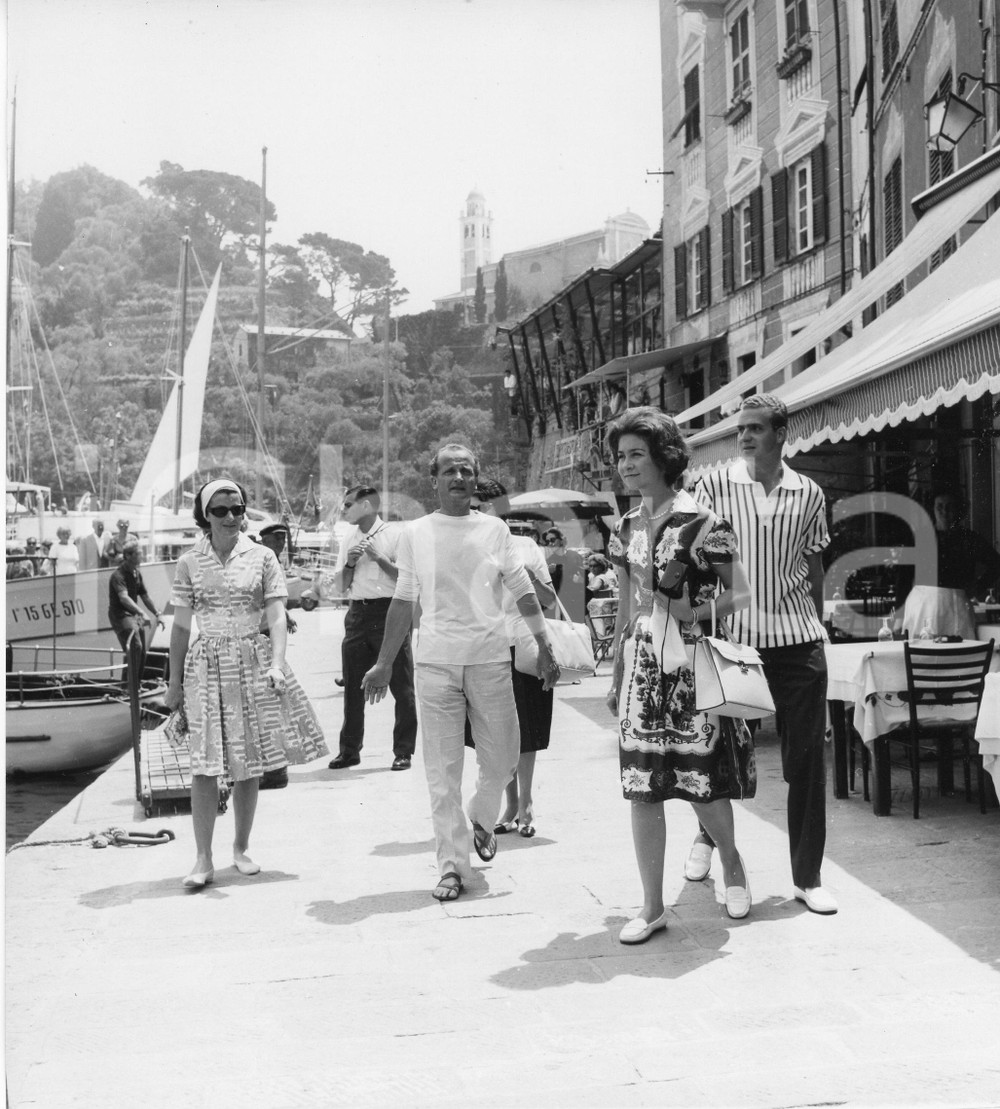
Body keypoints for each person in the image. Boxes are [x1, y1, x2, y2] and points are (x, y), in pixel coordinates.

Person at [360, 444, 560, 902]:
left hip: (490, 659)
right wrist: (385, 662)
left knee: (505, 756)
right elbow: (405, 598)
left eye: (466, 471)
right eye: (449, 470)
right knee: (442, 771)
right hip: (435, 664)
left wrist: (545, 644)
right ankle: (452, 867)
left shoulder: (494, 529)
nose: (458, 477)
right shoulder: (416, 533)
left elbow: (522, 588)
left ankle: (483, 814)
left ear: (475, 480)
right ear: (434, 480)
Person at [605, 407, 754, 944]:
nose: (625, 466)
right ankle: (651, 905)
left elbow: (740, 593)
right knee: (642, 787)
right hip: (643, 672)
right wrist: (617, 673)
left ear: (664, 458)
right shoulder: (624, 528)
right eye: (620, 457)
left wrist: (696, 614)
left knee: (700, 782)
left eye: (635, 455)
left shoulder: (704, 524)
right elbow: (626, 609)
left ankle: (732, 862)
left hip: (691, 667)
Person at [695, 393, 836, 915]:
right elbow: (697, 558)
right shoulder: (712, 486)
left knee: (806, 763)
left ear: (781, 433)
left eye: (756, 428)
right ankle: (708, 839)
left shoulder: (810, 492)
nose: (746, 436)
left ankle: (808, 876)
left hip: (798, 644)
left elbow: (814, 568)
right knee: (720, 755)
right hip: (737, 646)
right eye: (741, 430)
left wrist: (817, 627)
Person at [163, 478, 328, 889]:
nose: (232, 518)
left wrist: (277, 664)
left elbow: (276, 614)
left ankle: (240, 847)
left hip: (252, 662)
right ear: (206, 515)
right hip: (207, 665)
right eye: (221, 511)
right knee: (204, 763)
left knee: (248, 759)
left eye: (238, 509)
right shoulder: (189, 562)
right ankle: (203, 857)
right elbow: (181, 628)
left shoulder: (262, 556)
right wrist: (173, 683)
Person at [467, 478, 557, 838]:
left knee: (527, 729)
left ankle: (526, 803)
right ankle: (510, 803)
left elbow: (549, 598)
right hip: (483, 647)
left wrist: (524, 575)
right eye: (471, 506)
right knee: (494, 732)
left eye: (481, 505)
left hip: (523, 646)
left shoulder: (525, 545)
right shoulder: (466, 545)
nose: (474, 512)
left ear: (500, 507)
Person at [328, 485, 417, 772]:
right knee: (353, 686)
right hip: (357, 613)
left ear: (366, 505)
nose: (344, 510)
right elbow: (340, 586)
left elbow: (407, 579)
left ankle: (403, 751)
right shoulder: (348, 538)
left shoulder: (395, 535)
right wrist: (351, 563)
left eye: (348, 505)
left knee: (402, 686)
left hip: (389, 611)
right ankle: (349, 750)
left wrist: (379, 558)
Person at [901, 488, 1000, 639]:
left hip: (955, 606)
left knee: (958, 654)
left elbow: (996, 563)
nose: (944, 511)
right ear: (932, 509)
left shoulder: (969, 539)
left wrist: (978, 587)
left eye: (949, 506)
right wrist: (897, 613)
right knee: (920, 654)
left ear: (958, 510)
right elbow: (903, 575)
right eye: (939, 506)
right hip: (921, 607)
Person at [108, 539, 165, 677]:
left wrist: (157, 613)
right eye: (138, 554)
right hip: (121, 615)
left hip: (134, 615)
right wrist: (141, 612)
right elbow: (124, 598)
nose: (141, 556)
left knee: (142, 649)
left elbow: (145, 596)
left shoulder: (136, 573)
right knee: (135, 646)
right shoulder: (118, 575)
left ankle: (136, 685)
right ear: (128, 556)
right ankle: (129, 687)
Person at [542, 527, 587, 622]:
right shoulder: (549, 561)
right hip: (560, 605)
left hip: (576, 602)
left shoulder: (574, 556)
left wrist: (581, 580)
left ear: (561, 540)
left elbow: (586, 577)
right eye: (547, 541)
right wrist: (550, 574)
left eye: (552, 540)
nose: (550, 544)